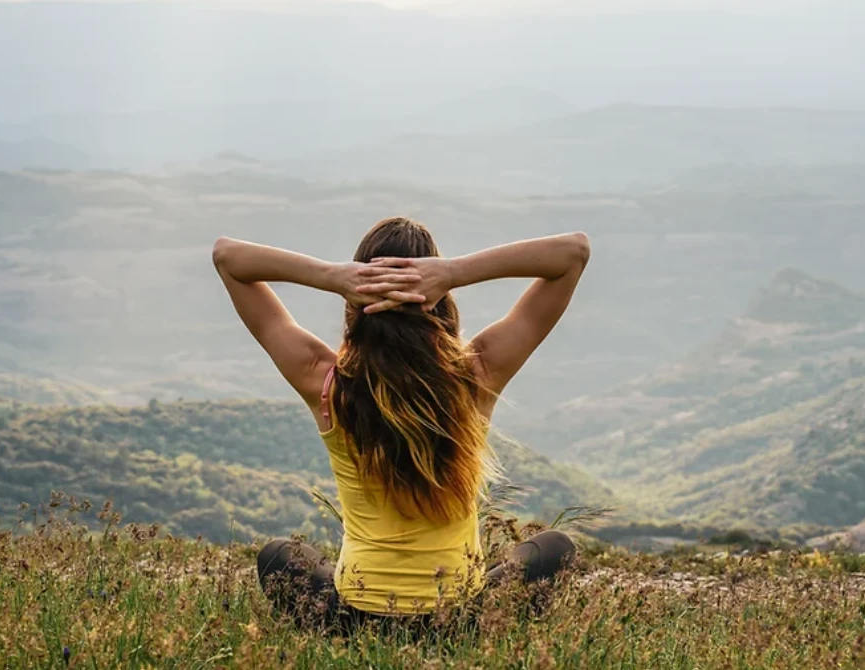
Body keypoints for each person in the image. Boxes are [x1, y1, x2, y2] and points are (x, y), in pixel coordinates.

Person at [211, 217, 589, 628]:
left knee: (278, 556)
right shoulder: (477, 375)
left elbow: (228, 257)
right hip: (459, 622)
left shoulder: (324, 381)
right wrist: (453, 273)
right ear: (438, 298)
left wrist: (334, 277)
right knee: (556, 548)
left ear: (355, 299)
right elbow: (572, 253)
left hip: (353, 620)